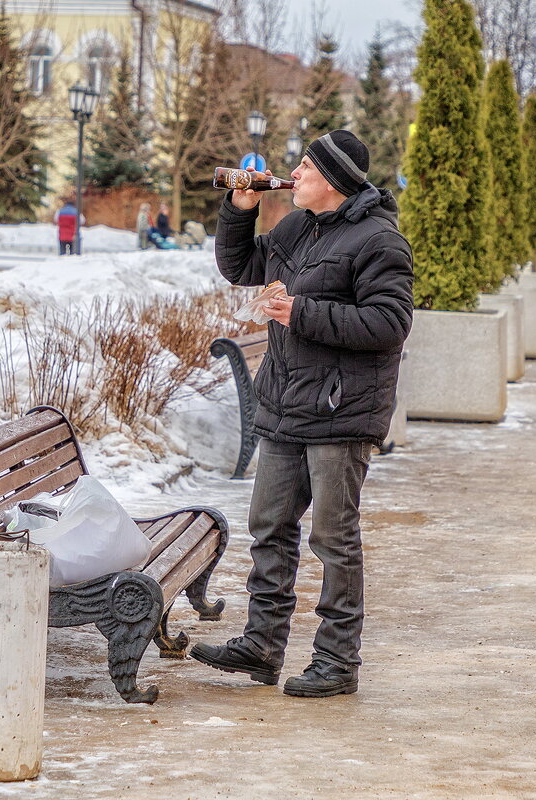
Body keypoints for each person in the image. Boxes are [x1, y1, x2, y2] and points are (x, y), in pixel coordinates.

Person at [190, 130, 414, 698]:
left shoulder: (379, 241)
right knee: (269, 526)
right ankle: (263, 645)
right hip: (287, 402)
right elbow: (241, 267)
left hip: (341, 410)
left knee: (333, 540)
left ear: (334, 181)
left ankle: (338, 661)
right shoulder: (296, 226)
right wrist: (239, 211)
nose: (295, 173)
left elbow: (390, 325)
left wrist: (302, 313)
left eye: (307, 166)